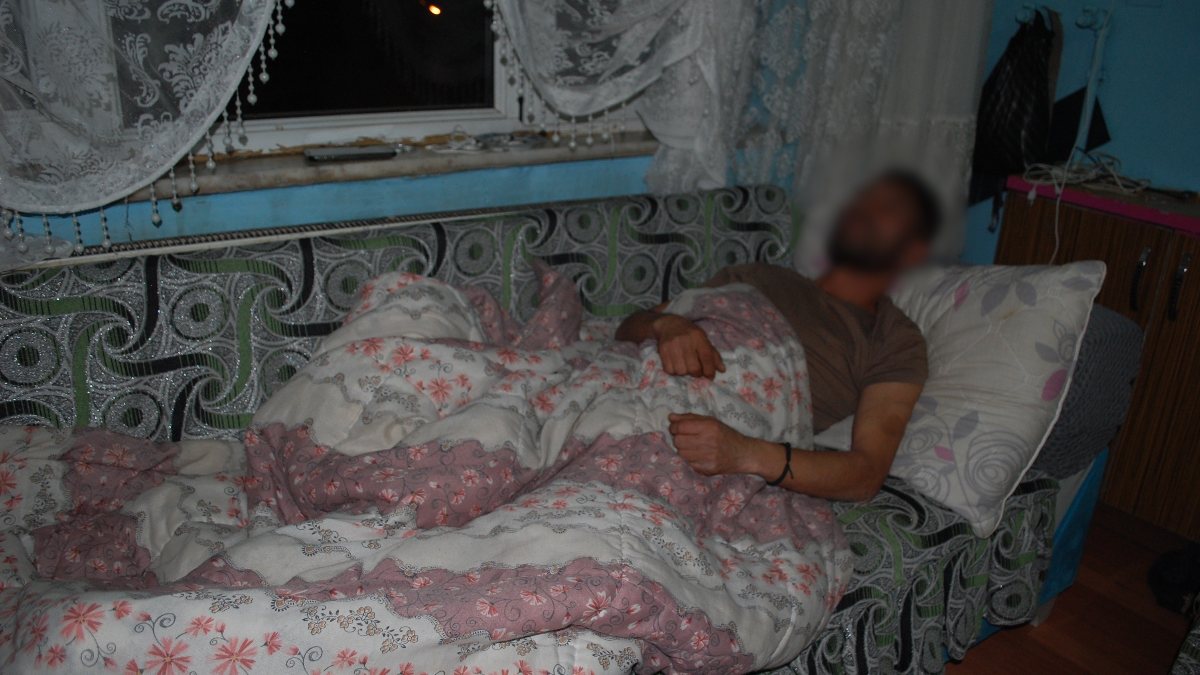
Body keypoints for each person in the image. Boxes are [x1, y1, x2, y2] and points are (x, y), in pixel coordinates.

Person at [615, 170, 940, 502]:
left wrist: (745, 454)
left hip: (705, 430)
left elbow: (866, 475)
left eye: (889, 207)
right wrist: (667, 326)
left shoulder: (892, 338)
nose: (866, 208)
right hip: (631, 384)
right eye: (865, 198)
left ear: (913, 251)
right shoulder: (758, 275)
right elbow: (626, 329)